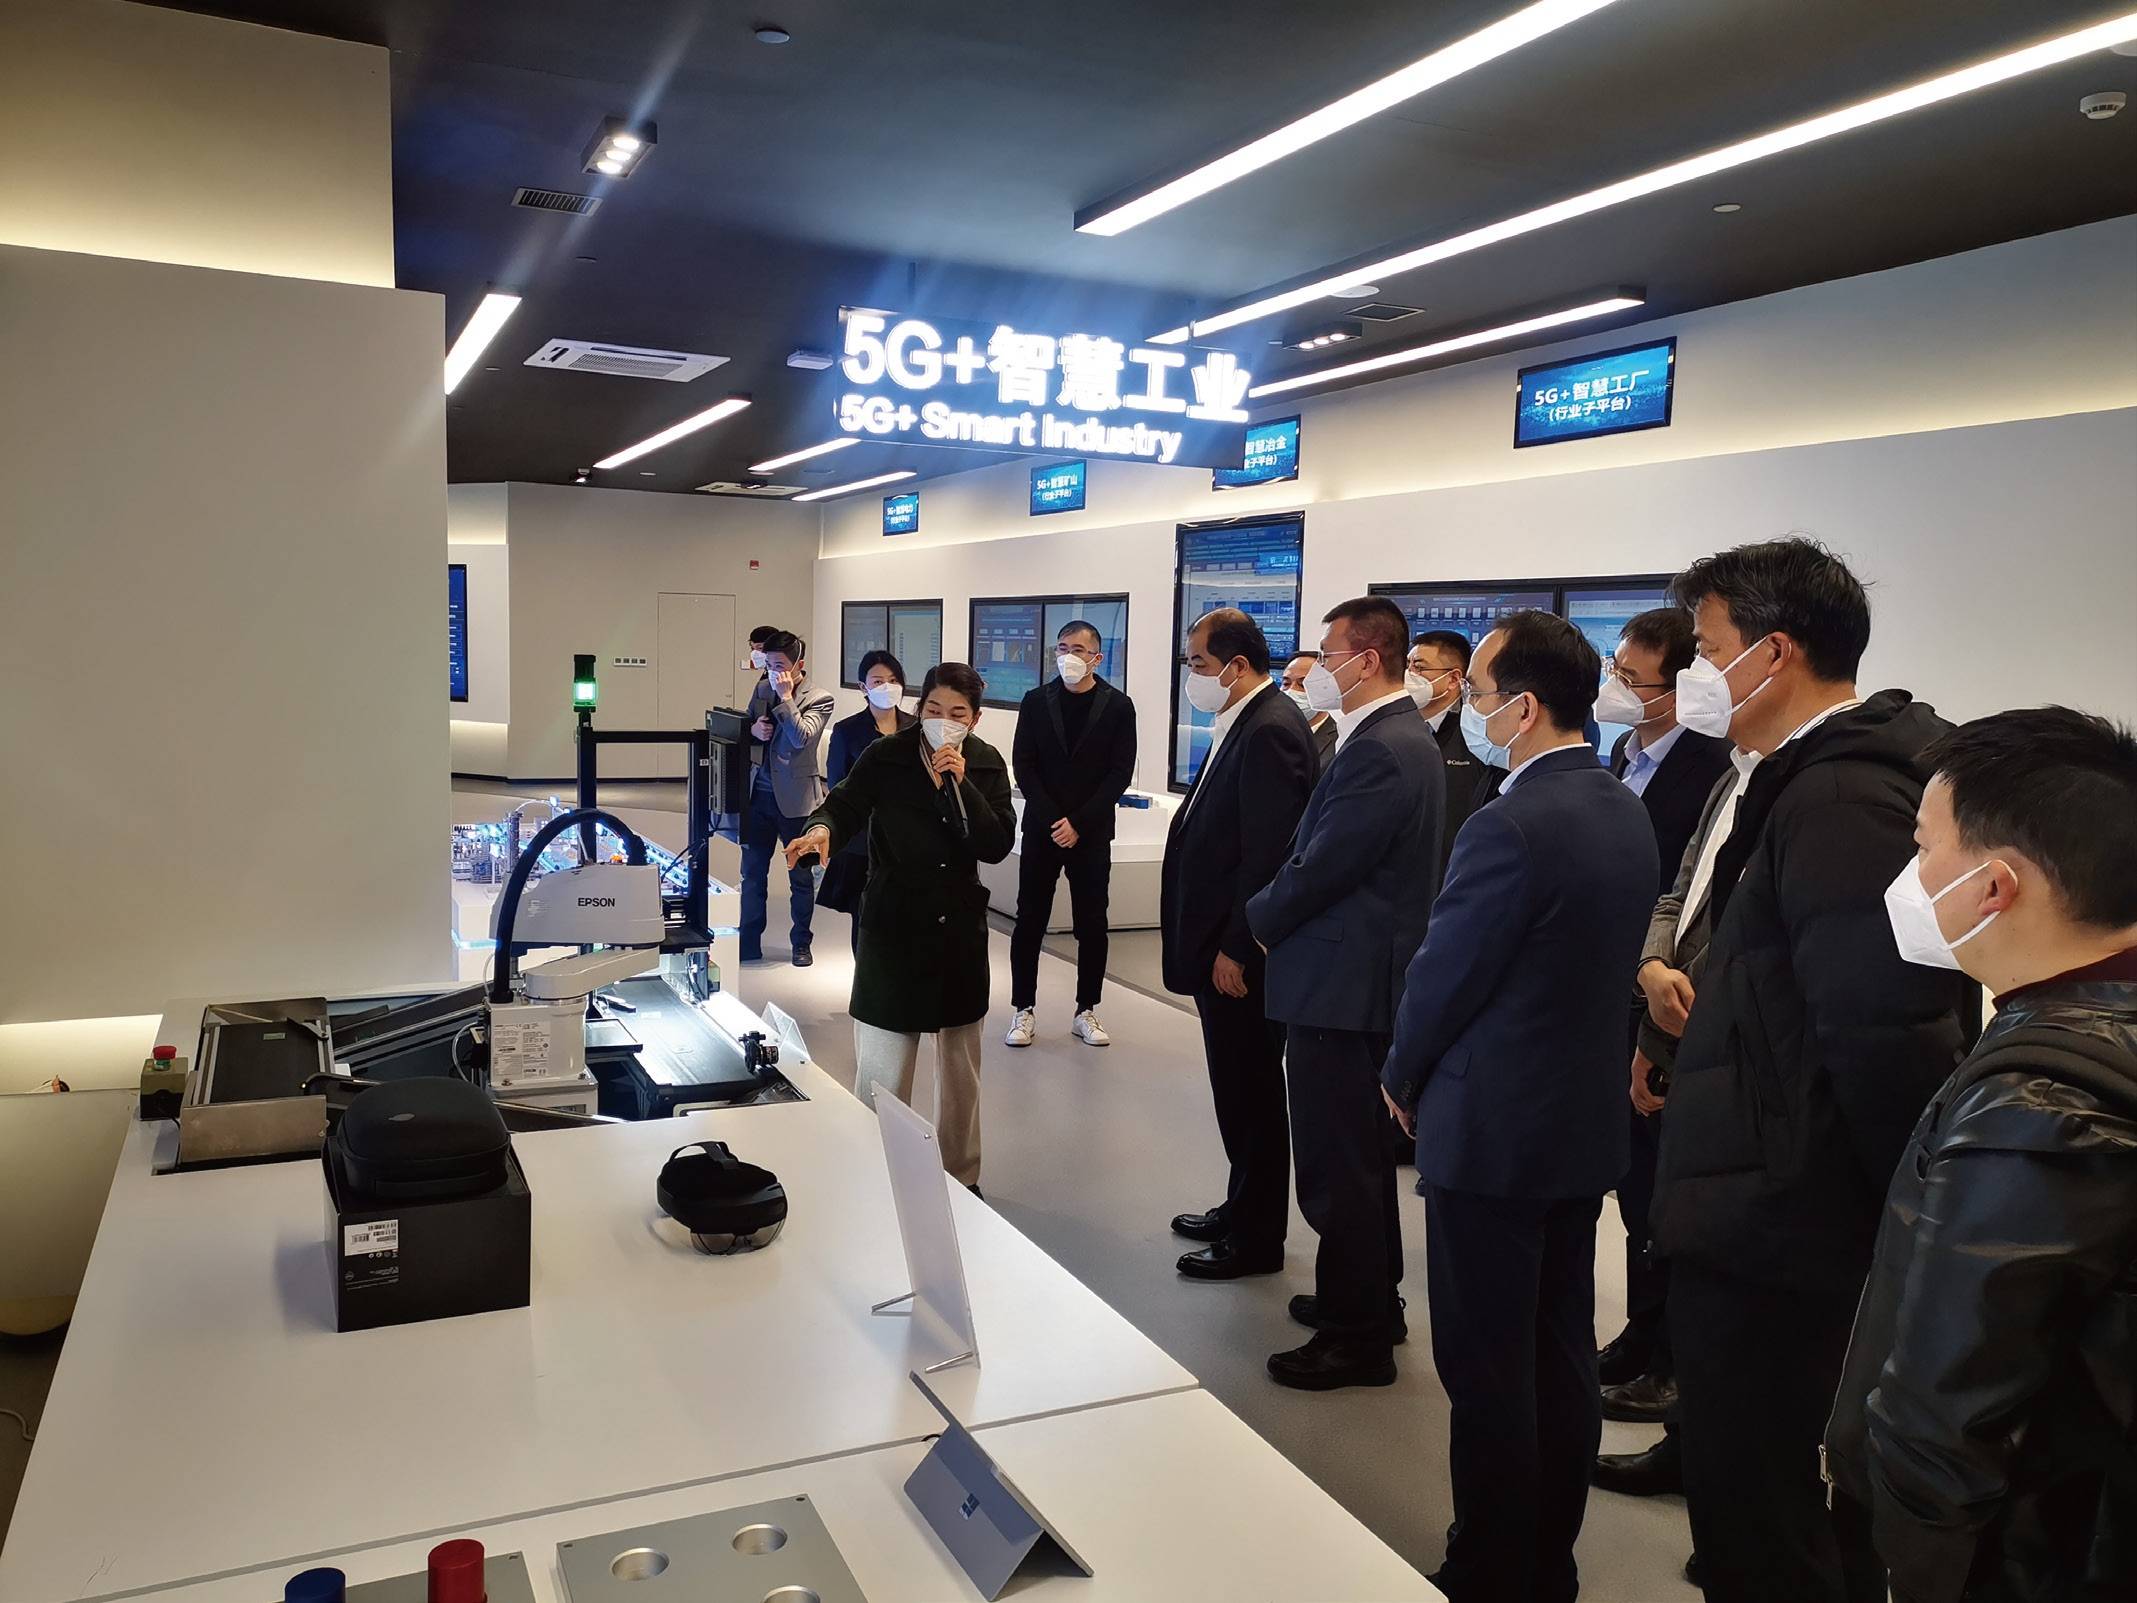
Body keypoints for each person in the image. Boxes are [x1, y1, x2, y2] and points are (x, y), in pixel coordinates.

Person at [1651, 537, 1977, 1603]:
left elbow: (1885, 1033)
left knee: (1769, 1515)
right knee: (1755, 1498)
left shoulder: (1840, 800)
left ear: (1774, 651)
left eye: (1706, 649)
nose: (1692, 673)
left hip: (1785, 1226)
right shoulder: (1790, 780)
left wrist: (1892, 1227)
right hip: (1768, 1194)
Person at [1825, 706, 2137, 1603]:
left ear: (1993, 885)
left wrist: (1910, 1562)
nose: (1910, 875)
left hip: (2025, 1555)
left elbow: (1948, 1404)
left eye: (1923, 847)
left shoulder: (2037, 1104)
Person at [1379, 609, 1658, 1603]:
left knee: (1487, 1366)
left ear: (1524, 706)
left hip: (1491, 1132)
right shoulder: (1622, 805)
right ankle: (1547, 1560)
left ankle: (1489, 1566)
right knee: (1560, 1351)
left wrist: (1400, 1074)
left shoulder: (1508, 823)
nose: (1469, 707)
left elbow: (1444, 974)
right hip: (1578, 1127)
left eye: (1479, 692)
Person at [1245, 596, 1442, 1391]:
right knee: (1357, 1159)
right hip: (1354, 979)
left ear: (1366, 659)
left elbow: (1324, 864)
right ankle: (1365, 1300)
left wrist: (1258, 920)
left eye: (1327, 655)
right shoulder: (1389, 736)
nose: (1317, 670)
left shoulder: (1383, 748)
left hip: (1343, 988)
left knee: (1340, 1168)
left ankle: (1355, 1337)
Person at [1590, 749, 1750, 1512]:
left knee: (1693, 1231)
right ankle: (1650, 1351)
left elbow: (1737, 932)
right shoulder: (1733, 776)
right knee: (1648, 1204)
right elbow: (1678, 897)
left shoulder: (1803, 788)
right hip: (1667, 1020)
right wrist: (1651, 969)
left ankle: (1677, 1392)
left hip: (1722, 1047)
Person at [786, 663, 1015, 1190]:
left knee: (961, 1074)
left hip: (957, 929)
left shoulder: (984, 763)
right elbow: (844, 804)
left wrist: (961, 782)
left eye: (957, 713)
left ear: (975, 720)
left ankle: (961, 1179)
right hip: (893, 925)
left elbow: (996, 843)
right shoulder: (886, 755)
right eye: (933, 709)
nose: (943, 720)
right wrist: (820, 830)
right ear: (919, 707)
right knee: (882, 1071)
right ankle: (874, 1172)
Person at [1590, 608, 1731, 1426]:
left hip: (1667, 1007)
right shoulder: (1623, 752)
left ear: (1675, 692)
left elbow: (1682, 901)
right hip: (1615, 996)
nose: (1614, 687)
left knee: (1663, 1190)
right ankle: (1640, 1333)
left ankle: (1671, 1361)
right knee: (1631, 1182)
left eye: (1629, 678)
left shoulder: (1709, 769)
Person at [1161, 609, 1318, 1282]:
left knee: (1251, 1092)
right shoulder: (1244, 719)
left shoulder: (1271, 729)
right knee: (1234, 1088)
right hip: (1215, 944)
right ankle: (1241, 1204)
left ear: (1237, 666)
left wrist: (1238, 946)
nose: (1191, 675)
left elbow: (1265, 855)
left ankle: (1256, 1239)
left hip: (1238, 956)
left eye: (1198, 663)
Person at [1007, 620, 1136, 1049]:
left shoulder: (1118, 706)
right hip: (1043, 829)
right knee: (1030, 920)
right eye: (1062, 648)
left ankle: (1086, 1009)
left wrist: (1079, 822)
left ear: (1097, 657)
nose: (1068, 656)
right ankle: (1023, 1009)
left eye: (1078, 649)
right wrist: (1054, 820)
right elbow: (1024, 766)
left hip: (1091, 832)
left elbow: (1119, 772)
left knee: (1092, 923)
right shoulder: (1035, 701)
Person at [738, 630, 835, 967]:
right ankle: (749, 941)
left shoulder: (820, 698)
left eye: (780, 665)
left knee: (801, 878)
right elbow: (745, 726)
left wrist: (787, 697)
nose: (773, 672)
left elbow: (802, 738)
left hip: (797, 802)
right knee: (752, 875)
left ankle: (801, 943)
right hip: (759, 798)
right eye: (769, 665)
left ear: (798, 665)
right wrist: (752, 731)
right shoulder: (762, 688)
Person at [816, 650, 916, 957]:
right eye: (878, 681)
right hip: (863, 840)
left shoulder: (916, 728)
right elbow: (839, 787)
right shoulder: (847, 731)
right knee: (864, 919)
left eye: (893, 680)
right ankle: (865, 979)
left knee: (904, 919)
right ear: (864, 687)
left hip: (906, 840)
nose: (887, 687)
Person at [1405, 629, 1484, 880]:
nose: (1409, 675)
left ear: (1453, 679)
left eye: (1419, 667)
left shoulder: (1477, 735)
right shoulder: (1398, 729)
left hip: (1456, 872)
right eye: (1407, 666)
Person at [1281, 650, 1339, 768]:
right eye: (1286, 683)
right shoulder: (1271, 734)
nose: (1291, 691)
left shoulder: (1339, 743)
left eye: (1302, 685)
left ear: (1326, 690)